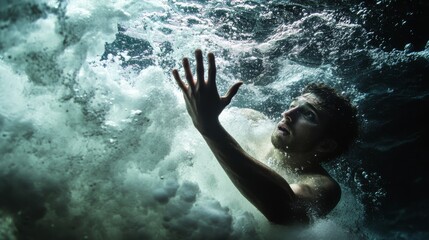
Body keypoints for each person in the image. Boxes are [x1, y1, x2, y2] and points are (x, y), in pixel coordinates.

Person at [172, 49, 358, 225]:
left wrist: (209, 127)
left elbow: (285, 210)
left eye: (309, 115)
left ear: (325, 145)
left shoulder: (323, 186)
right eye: (293, 104)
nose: (288, 113)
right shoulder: (251, 120)